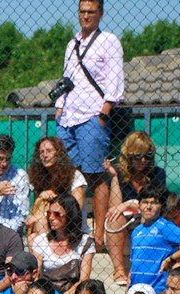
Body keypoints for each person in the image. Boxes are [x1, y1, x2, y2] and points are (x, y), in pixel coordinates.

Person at [55, 0, 122, 251]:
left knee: (95, 175)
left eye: (91, 12)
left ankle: (100, 234)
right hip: (68, 117)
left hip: (92, 114)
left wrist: (105, 110)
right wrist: (59, 106)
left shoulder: (109, 41)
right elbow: (66, 77)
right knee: (68, 175)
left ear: (100, 13)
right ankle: (73, 228)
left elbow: (115, 77)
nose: (85, 16)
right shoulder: (71, 43)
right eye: (82, 11)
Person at [103, 131, 167, 285]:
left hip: (149, 220)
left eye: (147, 156)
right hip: (126, 221)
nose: (143, 160)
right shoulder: (120, 173)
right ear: (128, 155)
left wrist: (128, 204)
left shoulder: (158, 174)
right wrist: (114, 177)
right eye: (138, 156)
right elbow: (114, 208)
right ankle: (119, 270)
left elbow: (155, 206)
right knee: (113, 218)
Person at [126, 182, 180, 294]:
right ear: (139, 206)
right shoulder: (136, 231)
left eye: (154, 203)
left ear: (162, 206)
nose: (148, 207)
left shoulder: (164, 226)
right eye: (145, 202)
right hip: (136, 292)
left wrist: (171, 258)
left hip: (158, 290)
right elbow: (133, 268)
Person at [30, 191, 96, 294]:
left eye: (56, 214)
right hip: (46, 293)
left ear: (70, 216)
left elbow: (83, 280)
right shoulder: (41, 241)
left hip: (72, 293)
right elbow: (36, 276)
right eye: (49, 213)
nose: (51, 218)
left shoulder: (85, 243)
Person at [26, 136, 87, 242]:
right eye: (41, 152)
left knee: (41, 222)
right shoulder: (39, 177)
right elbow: (38, 207)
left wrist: (44, 214)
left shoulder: (74, 176)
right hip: (49, 224)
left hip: (70, 225)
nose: (45, 155)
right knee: (32, 238)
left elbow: (77, 208)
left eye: (49, 151)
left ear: (59, 153)